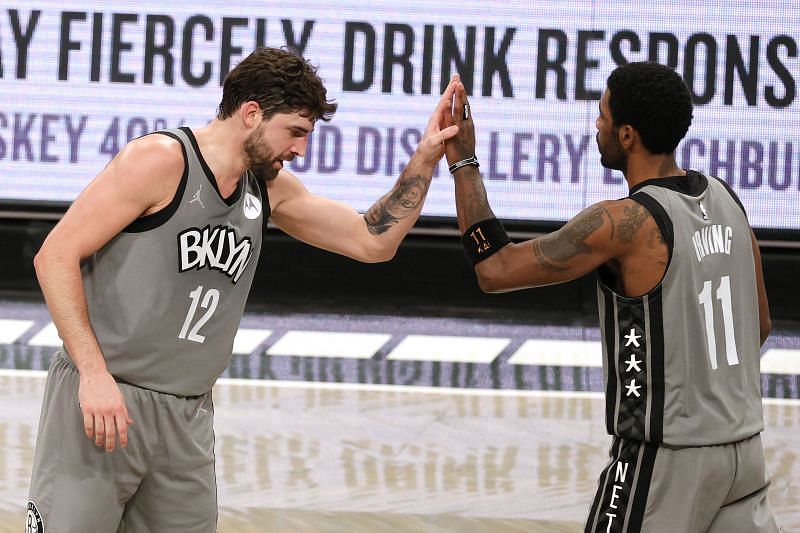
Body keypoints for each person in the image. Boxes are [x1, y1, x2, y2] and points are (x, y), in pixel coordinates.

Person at [26, 46, 459, 532]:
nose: (300, 150)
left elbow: (371, 241)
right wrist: (92, 373)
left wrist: (425, 158)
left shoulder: (268, 187)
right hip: (105, 401)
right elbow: (55, 255)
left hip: (186, 417)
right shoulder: (159, 161)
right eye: (295, 131)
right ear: (251, 112)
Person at [445, 63, 781, 532]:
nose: (596, 125)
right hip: (745, 451)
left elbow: (496, 268)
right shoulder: (726, 199)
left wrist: (462, 161)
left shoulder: (626, 222)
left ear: (627, 135)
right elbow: (759, 326)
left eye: (602, 115)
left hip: (664, 457)